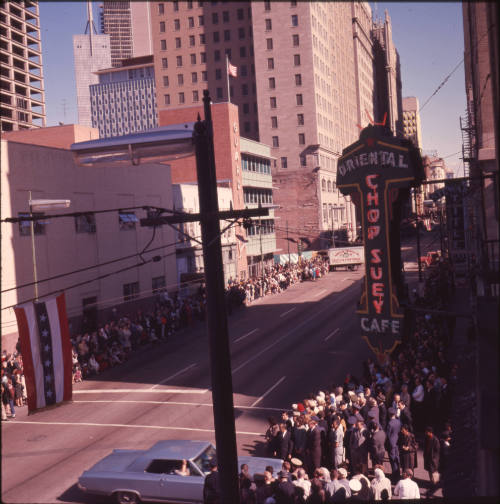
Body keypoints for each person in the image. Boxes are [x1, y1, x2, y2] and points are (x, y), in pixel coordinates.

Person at [386, 407, 401, 484]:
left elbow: (388, 435)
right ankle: (398, 474)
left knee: (392, 460)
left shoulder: (390, 423)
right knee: (397, 459)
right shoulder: (398, 422)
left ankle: (395, 476)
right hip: (397, 442)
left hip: (391, 443)